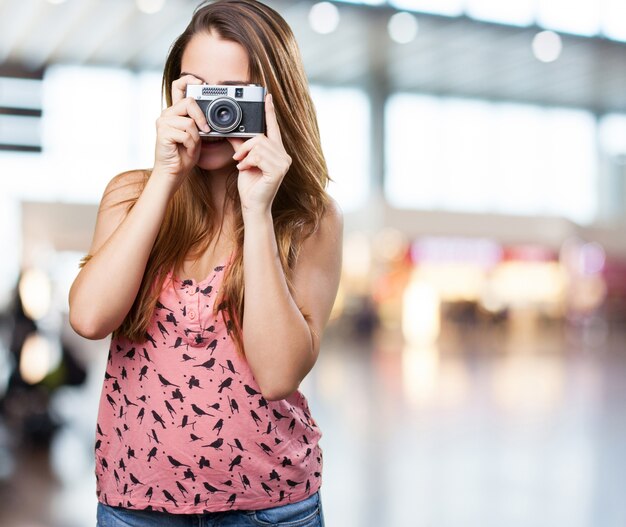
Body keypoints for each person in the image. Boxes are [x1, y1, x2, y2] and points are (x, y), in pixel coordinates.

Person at [68, 0, 342, 525]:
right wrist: (165, 177)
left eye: (231, 95)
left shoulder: (310, 219)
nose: (210, 114)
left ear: (273, 102)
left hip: (271, 505)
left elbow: (279, 374)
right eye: (196, 90)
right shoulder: (132, 196)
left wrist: (259, 211)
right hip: (136, 501)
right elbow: (89, 318)